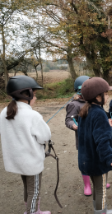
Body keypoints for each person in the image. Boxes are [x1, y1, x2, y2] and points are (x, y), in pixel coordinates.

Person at [0, 76, 51, 214]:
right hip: (31, 161)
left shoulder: (4, 112)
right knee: (34, 191)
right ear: (26, 94)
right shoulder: (32, 115)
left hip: (17, 160)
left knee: (27, 188)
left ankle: (32, 210)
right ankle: (33, 212)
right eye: (34, 94)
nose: (36, 98)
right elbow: (45, 136)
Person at [78, 77, 112, 214]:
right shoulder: (99, 114)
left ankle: (98, 209)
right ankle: (101, 211)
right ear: (98, 96)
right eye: (106, 93)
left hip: (86, 160)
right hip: (97, 161)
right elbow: (102, 141)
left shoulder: (86, 110)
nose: (108, 96)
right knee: (100, 189)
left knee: (97, 187)